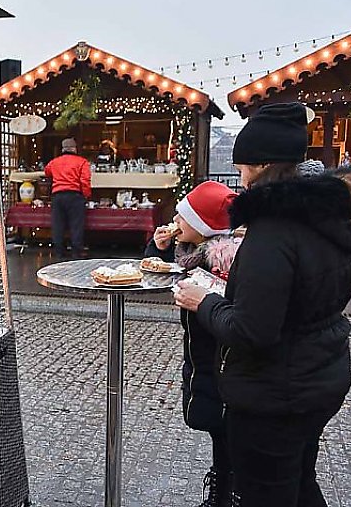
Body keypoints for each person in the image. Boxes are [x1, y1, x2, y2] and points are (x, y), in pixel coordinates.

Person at [174, 102, 351, 507]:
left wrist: (204, 302)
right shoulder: (337, 213)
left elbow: (252, 330)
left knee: (269, 492)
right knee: (299, 482)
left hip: (275, 395)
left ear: (262, 165)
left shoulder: (274, 231)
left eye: (243, 167)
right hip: (320, 376)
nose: (241, 178)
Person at [146, 181, 240, 507]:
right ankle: (222, 490)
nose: (175, 220)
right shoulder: (190, 254)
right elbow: (158, 275)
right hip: (203, 359)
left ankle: (227, 495)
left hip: (224, 364)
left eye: (182, 215)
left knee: (228, 431)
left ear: (202, 226)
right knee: (219, 430)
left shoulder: (223, 263)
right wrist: (157, 249)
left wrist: (205, 302)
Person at [44, 138, 92, 258]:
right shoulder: (82, 162)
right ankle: (76, 252)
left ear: (63, 149)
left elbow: (47, 172)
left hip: (58, 196)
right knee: (76, 225)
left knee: (58, 224)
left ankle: (59, 251)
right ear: (75, 149)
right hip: (75, 196)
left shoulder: (54, 162)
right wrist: (86, 195)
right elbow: (85, 181)